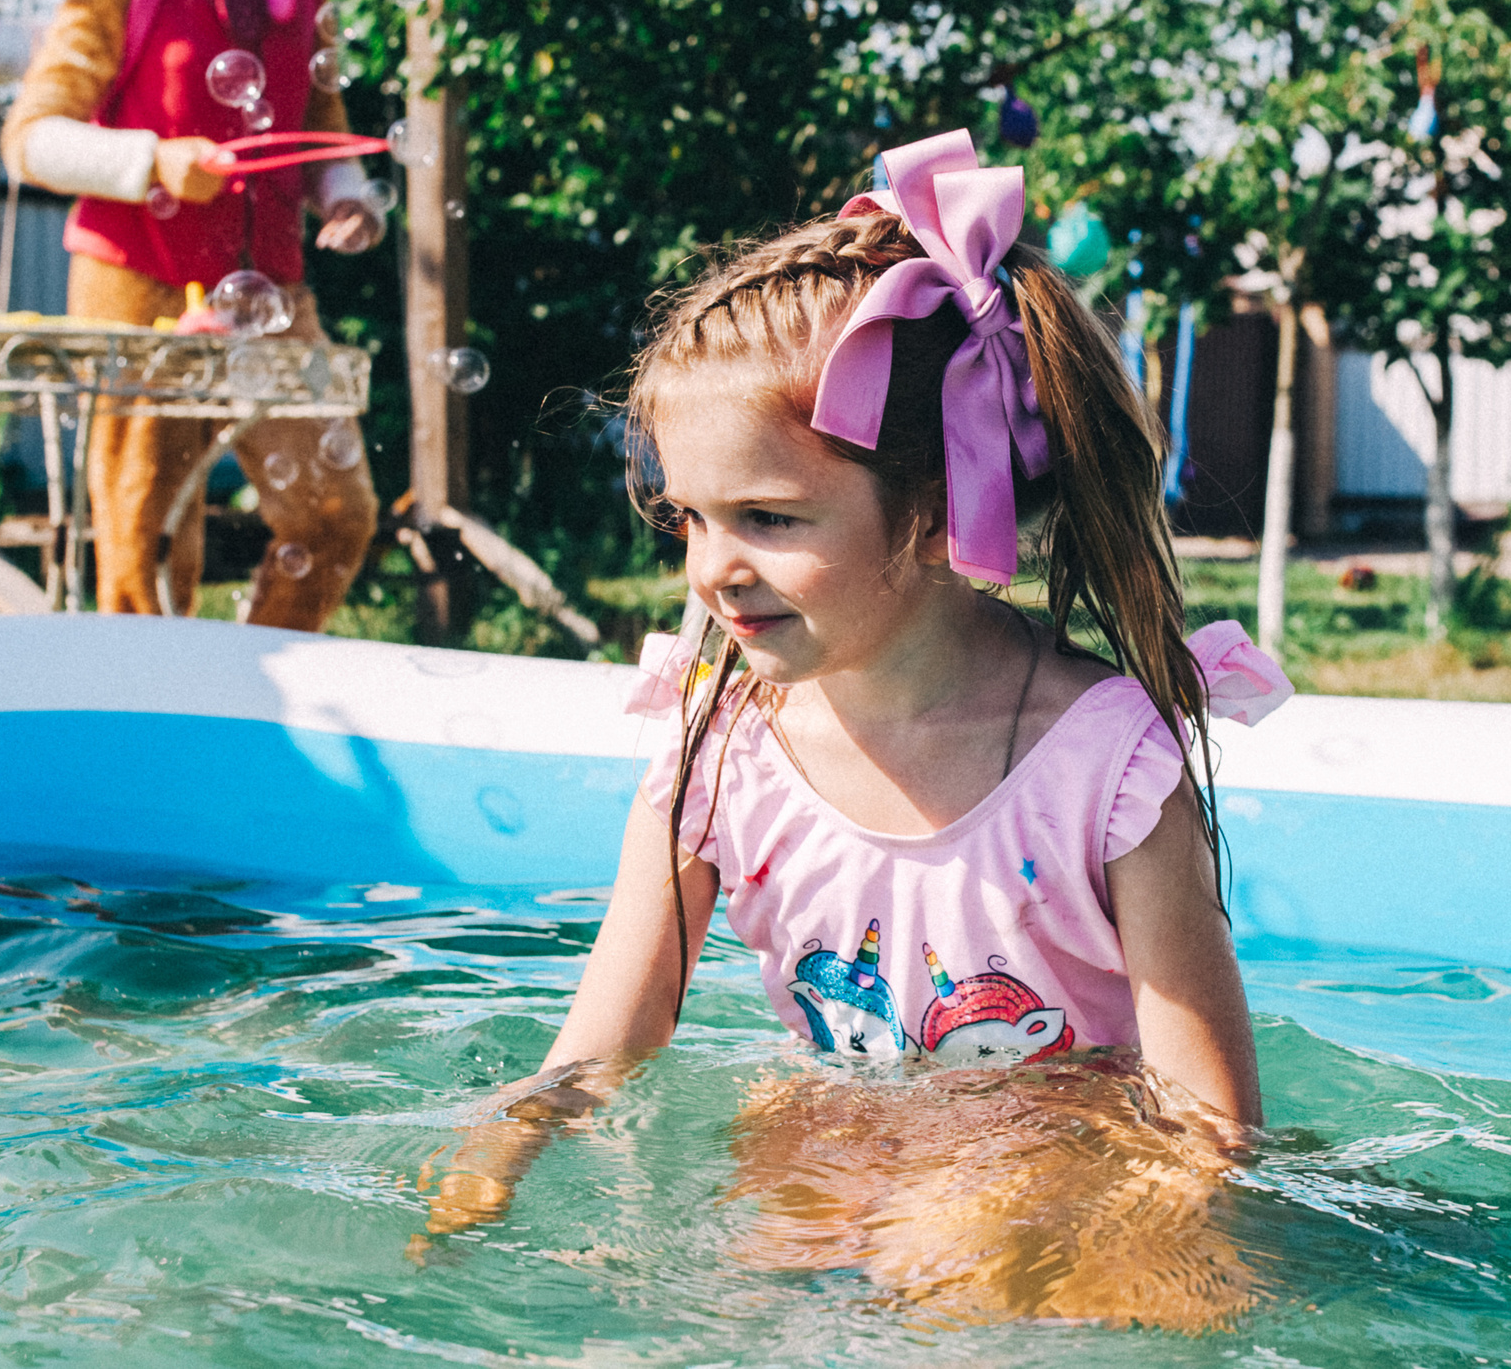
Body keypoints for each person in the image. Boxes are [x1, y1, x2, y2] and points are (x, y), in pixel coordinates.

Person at [416, 130, 1294, 1327]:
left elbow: (1207, 1125)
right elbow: (606, 1039)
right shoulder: (715, 748)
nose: (714, 571)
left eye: (769, 518)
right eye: (688, 520)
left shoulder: (1104, 767)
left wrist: (1132, 1244)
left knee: (964, 1273)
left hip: (1065, 1153)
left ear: (938, 511)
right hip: (838, 1137)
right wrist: (513, 1136)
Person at [1, 0, 378, 630]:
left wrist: (346, 196)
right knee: (144, 549)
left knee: (334, 515)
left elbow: (319, 118)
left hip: (275, 290)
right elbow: (31, 137)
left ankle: (252, 697)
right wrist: (156, 161)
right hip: (139, 286)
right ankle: (153, 734)